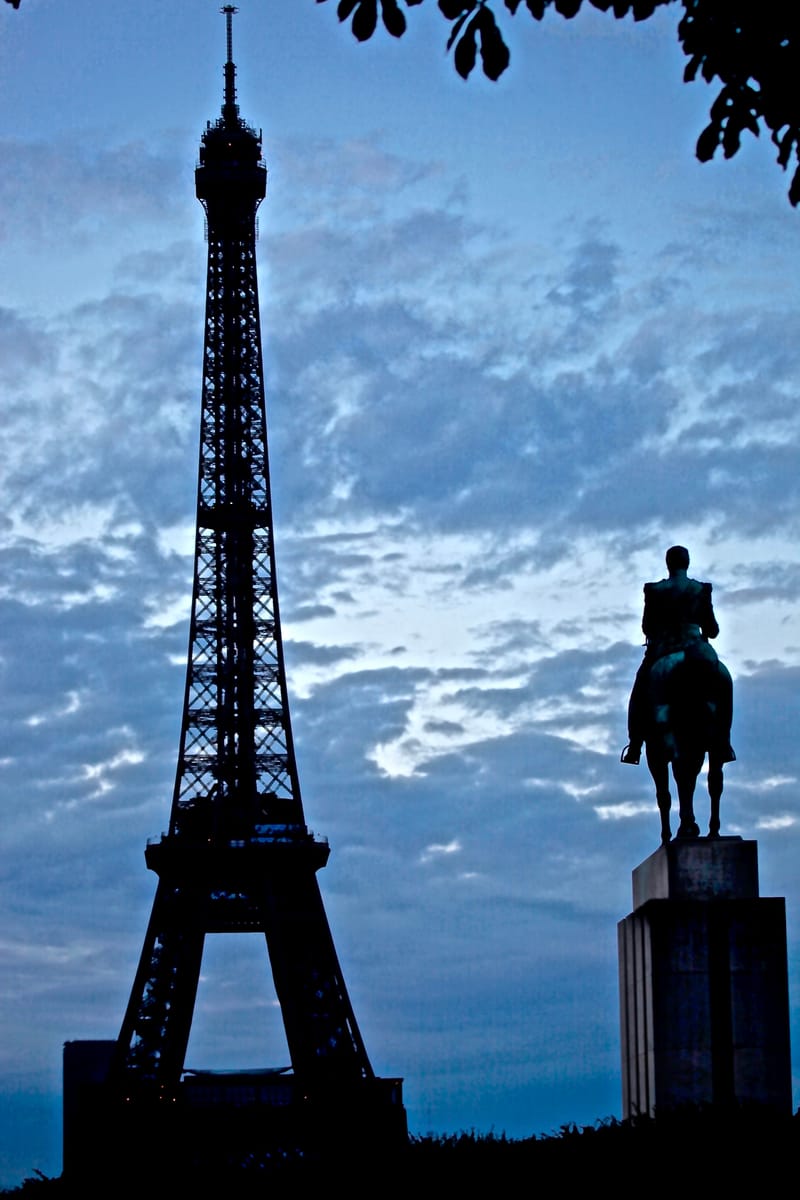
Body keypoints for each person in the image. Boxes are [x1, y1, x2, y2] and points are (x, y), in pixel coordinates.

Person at [621, 545, 734, 764]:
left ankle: (634, 746)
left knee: (639, 689)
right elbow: (712, 630)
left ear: (668, 564)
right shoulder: (701, 589)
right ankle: (724, 743)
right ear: (687, 563)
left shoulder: (654, 590)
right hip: (698, 648)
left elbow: (647, 628)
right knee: (725, 682)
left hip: (664, 648)